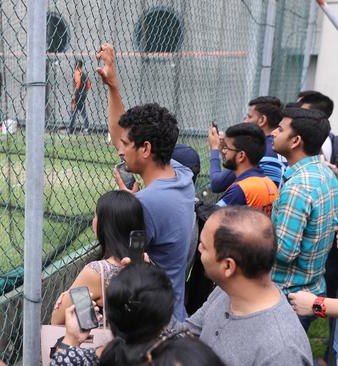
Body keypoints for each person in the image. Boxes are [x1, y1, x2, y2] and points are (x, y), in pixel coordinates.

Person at [97, 43, 195, 321]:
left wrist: (123, 202)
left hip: (152, 322)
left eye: (127, 145)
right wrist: (113, 87)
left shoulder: (146, 203)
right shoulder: (180, 174)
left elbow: (104, 233)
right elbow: (120, 135)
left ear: (146, 149)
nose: (119, 149)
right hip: (173, 309)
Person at [173, 206, 313, 366]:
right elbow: (186, 334)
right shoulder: (226, 292)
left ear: (228, 266)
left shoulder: (282, 353)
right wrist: (147, 292)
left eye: (204, 246)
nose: (198, 248)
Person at [271, 106, 338, 331]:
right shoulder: (325, 172)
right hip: (312, 286)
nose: (273, 132)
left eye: (279, 129)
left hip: (287, 296)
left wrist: (252, 239)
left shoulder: (298, 187)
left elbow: (285, 251)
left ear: (295, 141)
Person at [50, 262, 180, 365]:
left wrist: (72, 339)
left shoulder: (77, 360)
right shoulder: (181, 356)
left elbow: (63, 360)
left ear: (110, 318)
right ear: (165, 321)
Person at [51, 191, 144, 325]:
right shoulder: (146, 263)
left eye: (96, 216)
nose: (93, 221)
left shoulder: (97, 272)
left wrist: (66, 297)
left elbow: (57, 320)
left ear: (106, 226)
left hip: (106, 344)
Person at [208, 96, 285, 192]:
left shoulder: (256, 150)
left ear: (262, 120)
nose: (245, 121)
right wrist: (229, 148)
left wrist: (214, 148)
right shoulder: (281, 147)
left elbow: (216, 184)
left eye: (249, 117)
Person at [214, 123, 278, 214]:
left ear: (241, 156)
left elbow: (211, 218)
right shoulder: (269, 183)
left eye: (227, 148)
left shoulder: (240, 189)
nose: (224, 151)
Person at [64, 59, 91, 135]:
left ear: (77, 65)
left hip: (77, 96)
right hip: (83, 96)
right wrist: (84, 92)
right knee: (83, 113)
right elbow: (88, 84)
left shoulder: (77, 73)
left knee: (73, 112)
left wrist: (74, 94)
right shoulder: (84, 74)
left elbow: (78, 83)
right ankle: (86, 129)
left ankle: (69, 129)